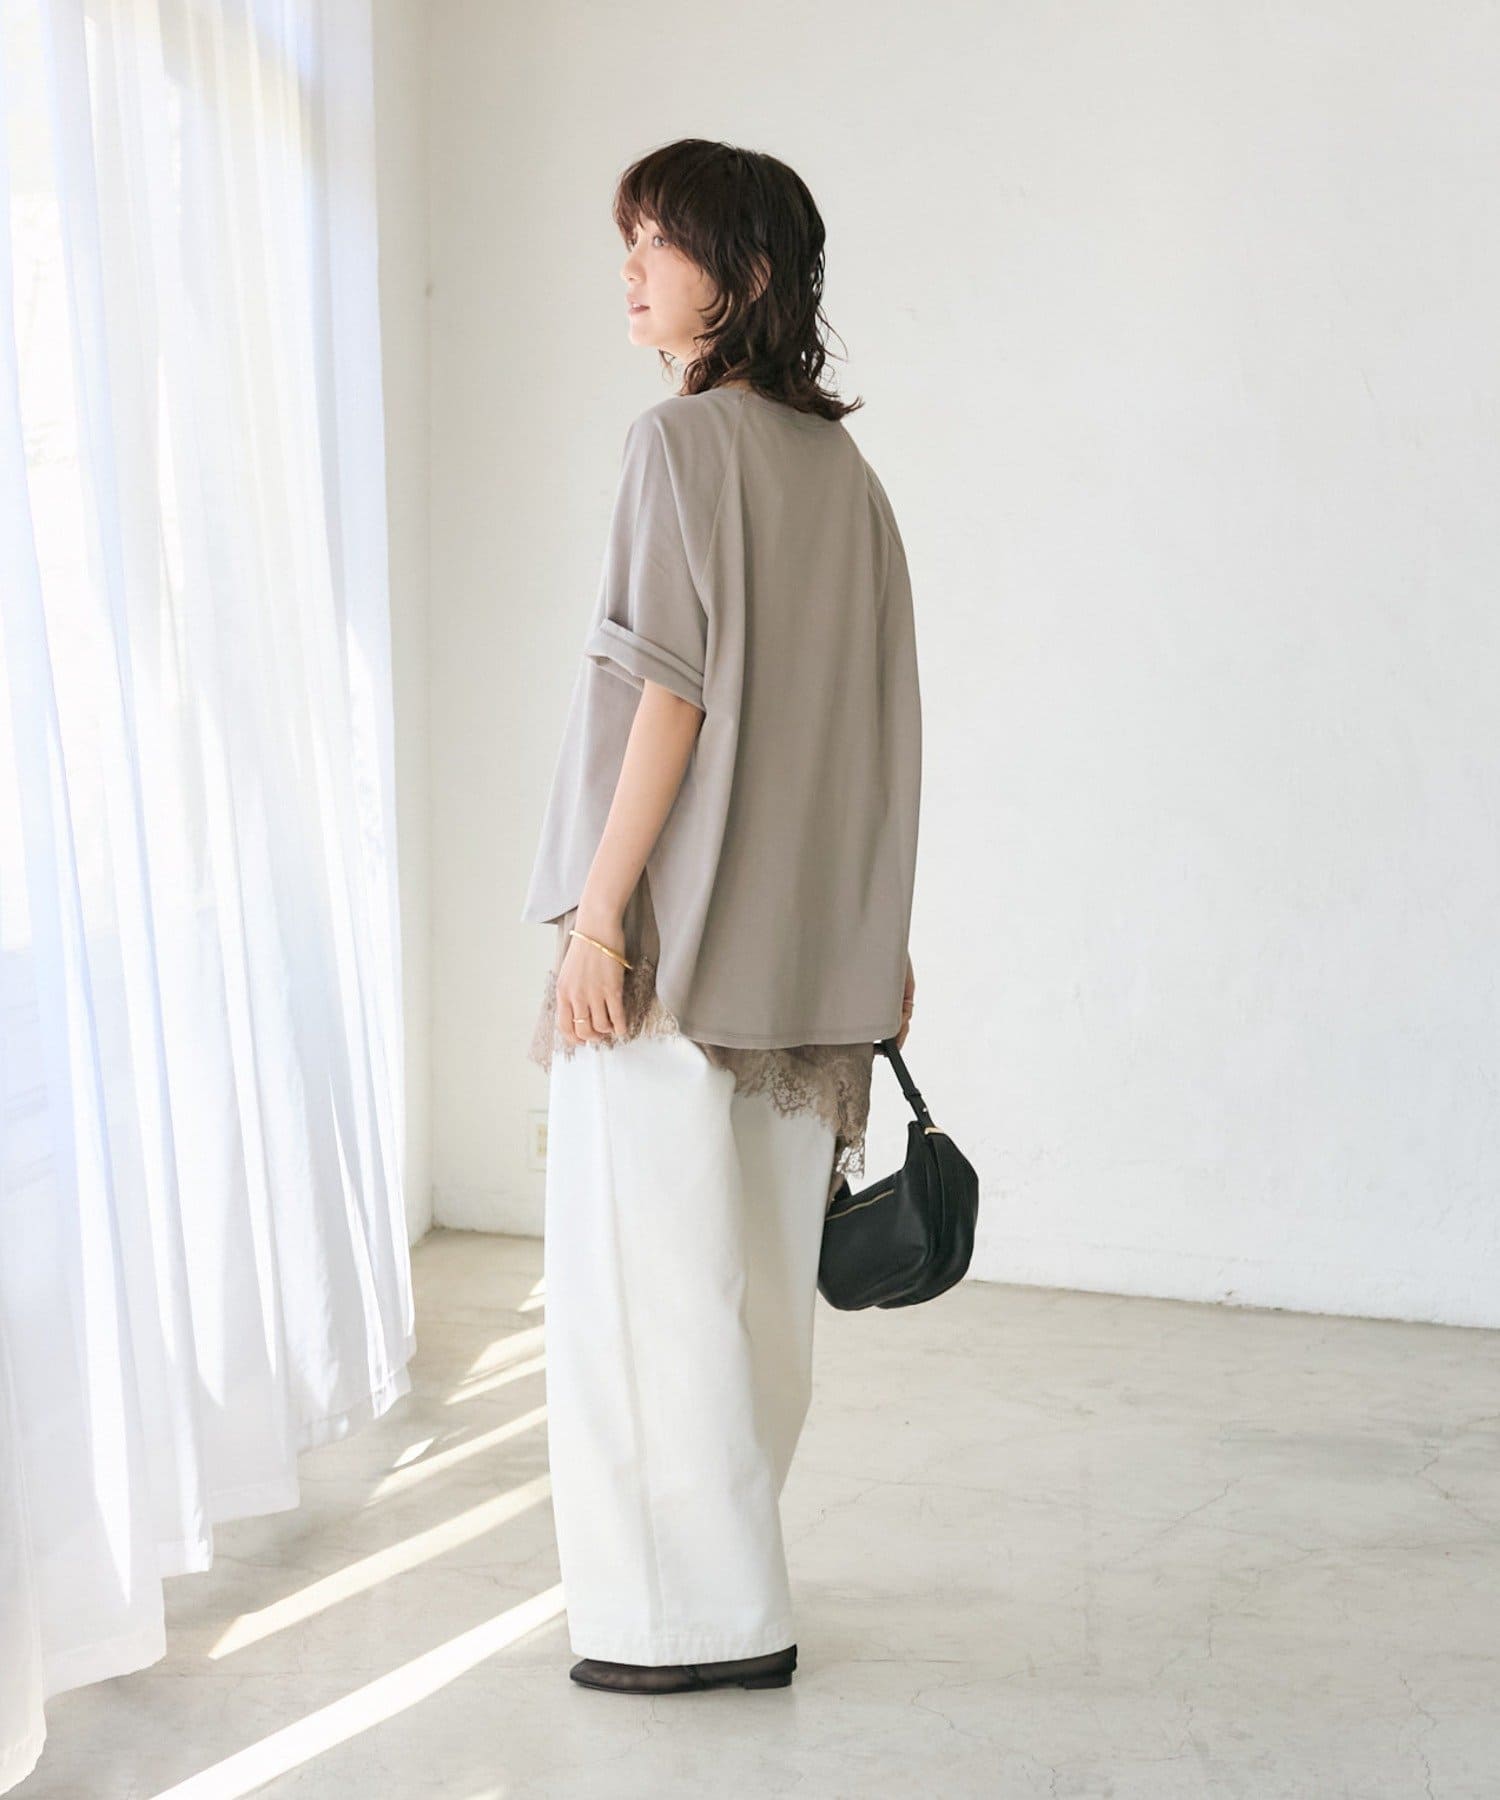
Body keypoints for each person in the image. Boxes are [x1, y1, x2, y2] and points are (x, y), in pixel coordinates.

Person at [518, 137, 921, 1695]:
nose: (629, 270)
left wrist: (599, 914)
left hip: (675, 948)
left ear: (743, 274)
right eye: (626, 240)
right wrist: (880, 938)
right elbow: (867, 729)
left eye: (659, 242)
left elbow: (664, 700)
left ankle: (678, 1627)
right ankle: (741, 1596)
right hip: (811, 956)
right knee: (755, 1299)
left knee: (642, 1292)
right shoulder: (848, 480)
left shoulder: (677, 446)